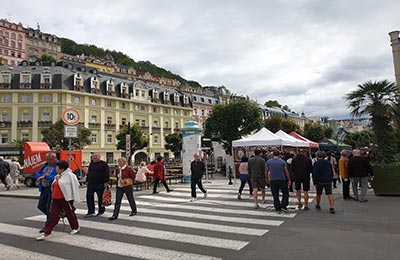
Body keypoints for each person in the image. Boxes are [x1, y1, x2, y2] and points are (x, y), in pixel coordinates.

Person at [36, 160, 80, 241]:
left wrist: (59, 180)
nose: (56, 169)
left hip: (66, 198)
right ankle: (47, 232)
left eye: (57, 167)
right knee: (53, 215)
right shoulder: (58, 175)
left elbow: (72, 185)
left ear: (62, 169)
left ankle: (75, 227)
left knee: (69, 213)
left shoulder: (70, 175)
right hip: (56, 198)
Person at [34, 152, 58, 230]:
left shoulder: (58, 165)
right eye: (48, 159)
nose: (49, 161)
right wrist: (41, 176)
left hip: (52, 189)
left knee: (48, 207)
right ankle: (53, 218)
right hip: (44, 188)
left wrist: (45, 176)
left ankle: (48, 225)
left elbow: (56, 177)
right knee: (40, 205)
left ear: (55, 159)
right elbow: (37, 174)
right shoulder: (44, 165)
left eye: (51, 159)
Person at [85, 152, 110, 217]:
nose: (95, 157)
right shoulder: (91, 164)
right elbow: (89, 173)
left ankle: (101, 210)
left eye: (96, 156)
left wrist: (106, 182)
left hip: (101, 183)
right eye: (93, 156)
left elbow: (107, 173)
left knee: (100, 198)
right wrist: (87, 180)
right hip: (91, 183)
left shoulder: (104, 164)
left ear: (99, 157)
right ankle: (91, 211)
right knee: (89, 197)